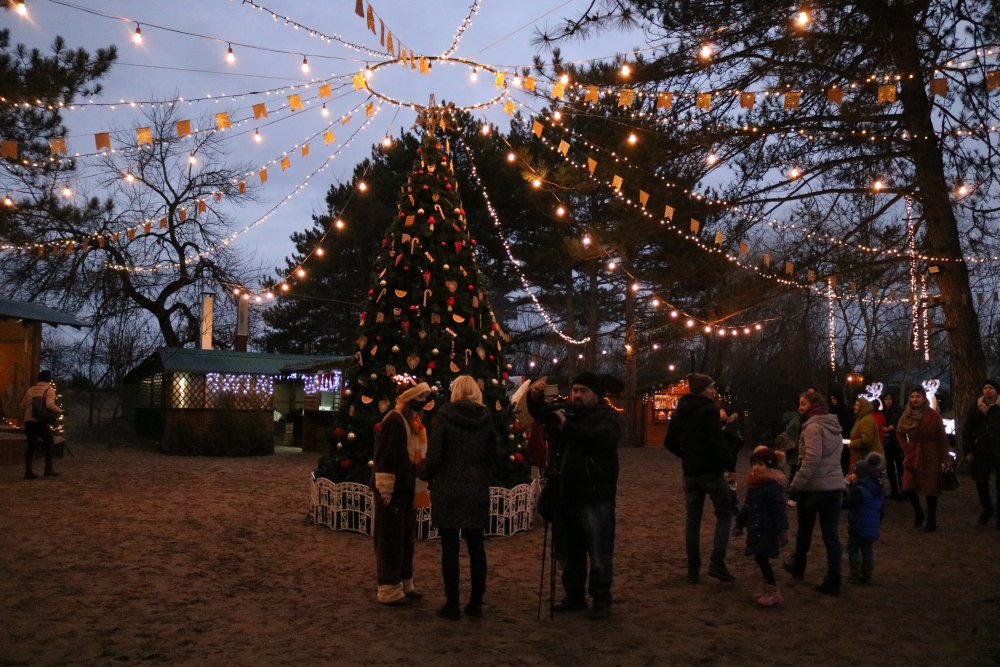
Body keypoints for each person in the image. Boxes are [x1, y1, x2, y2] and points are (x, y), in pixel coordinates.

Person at [527, 371, 620, 621]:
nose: (577, 395)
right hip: (565, 492)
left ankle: (601, 599)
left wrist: (567, 427)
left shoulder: (605, 417)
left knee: (598, 551)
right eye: (575, 390)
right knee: (569, 550)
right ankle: (574, 596)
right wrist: (534, 397)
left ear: (595, 394)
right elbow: (541, 415)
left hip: (594, 494)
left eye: (583, 391)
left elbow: (602, 439)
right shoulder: (567, 412)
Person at [419, 376, 496, 619]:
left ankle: (452, 603)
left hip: (449, 489)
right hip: (476, 488)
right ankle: (476, 602)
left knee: (449, 548)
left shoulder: (443, 417)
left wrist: (424, 472)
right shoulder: (486, 419)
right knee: (476, 546)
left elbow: (435, 455)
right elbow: (492, 454)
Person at [664, 373, 737, 585]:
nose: (714, 391)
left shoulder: (680, 413)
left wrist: (687, 455)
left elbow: (669, 442)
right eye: (711, 387)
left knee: (692, 521)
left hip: (690, 473)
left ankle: (693, 569)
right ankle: (717, 561)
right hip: (711, 472)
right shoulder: (709, 411)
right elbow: (717, 442)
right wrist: (729, 465)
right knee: (725, 514)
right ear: (703, 389)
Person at [371, 379, 431, 606]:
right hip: (393, 490)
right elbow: (385, 457)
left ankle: (405, 582)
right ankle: (389, 588)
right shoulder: (394, 421)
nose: (423, 402)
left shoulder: (412, 422)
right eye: (419, 398)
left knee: (406, 539)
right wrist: (385, 489)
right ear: (408, 399)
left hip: (407, 489)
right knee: (390, 540)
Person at [784, 390, 845, 595]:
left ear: (812, 406)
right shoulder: (834, 427)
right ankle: (834, 576)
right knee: (831, 534)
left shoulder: (812, 427)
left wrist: (795, 485)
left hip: (813, 489)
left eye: (802, 404)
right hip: (834, 486)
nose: (799, 408)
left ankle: (799, 565)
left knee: (805, 531)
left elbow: (811, 459)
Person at [736, 446, 789, 606]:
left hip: (767, 529)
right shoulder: (754, 484)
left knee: (761, 557)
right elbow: (747, 506)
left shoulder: (771, 486)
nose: (756, 467)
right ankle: (767, 589)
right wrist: (740, 522)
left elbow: (779, 509)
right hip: (757, 526)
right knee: (760, 557)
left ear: (770, 465)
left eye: (760, 464)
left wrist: (782, 529)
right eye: (754, 463)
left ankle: (773, 591)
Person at [896, 386, 951, 532]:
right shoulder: (906, 414)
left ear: (923, 398)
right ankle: (918, 512)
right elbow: (900, 432)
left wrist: (945, 456)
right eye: (913, 396)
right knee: (908, 485)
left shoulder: (933, 415)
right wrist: (906, 446)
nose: (915, 399)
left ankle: (931, 519)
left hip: (930, 454)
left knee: (930, 487)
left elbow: (942, 437)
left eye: (918, 396)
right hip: (913, 453)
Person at [962, 379, 1000, 528]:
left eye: (990, 388)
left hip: (998, 449)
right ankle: (987, 508)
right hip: (980, 450)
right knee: (981, 482)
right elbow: (967, 431)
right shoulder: (976, 408)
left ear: (996, 390)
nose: (988, 390)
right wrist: (968, 450)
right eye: (985, 388)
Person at [843, 452, 885, 585]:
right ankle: (867, 573)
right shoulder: (877, 489)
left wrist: (842, 496)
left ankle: (855, 572)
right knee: (868, 549)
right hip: (872, 527)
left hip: (858, 525)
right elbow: (881, 510)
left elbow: (849, 503)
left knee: (853, 548)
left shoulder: (859, 490)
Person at [20, 370, 61, 479]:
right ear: (48, 379)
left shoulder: (31, 390)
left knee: (31, 446)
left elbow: (22, 405)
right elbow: (49, 405)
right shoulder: (49, 390)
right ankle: (48, 469)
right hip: (40, 421)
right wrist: (59, 410)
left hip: (29, 421)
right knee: (49, 442)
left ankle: (28, 472)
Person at [847, 397, 884, 470]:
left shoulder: (866, 420)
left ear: (863, 407)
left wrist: (852, 443)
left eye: (857, 405)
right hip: (862, 458)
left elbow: (866, 440)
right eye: (855, 405)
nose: (855, 407)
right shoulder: (861, 419)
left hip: (866, 459)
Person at [881, 392, 905, 499]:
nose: (888, 401)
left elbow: (899, 422)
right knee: (890, 467)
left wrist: (891, 427)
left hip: (896, 442)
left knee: (900, 467)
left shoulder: (898, 410)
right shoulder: (883, 412)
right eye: (886, 399)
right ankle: (894, 490)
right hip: (887, 442)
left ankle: (903, 490)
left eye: (889, 399)